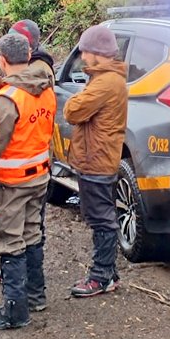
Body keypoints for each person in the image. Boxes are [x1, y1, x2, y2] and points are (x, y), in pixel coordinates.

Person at [0, 33, 56, 329]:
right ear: (28, 56)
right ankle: (35, 295)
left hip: (12, 181)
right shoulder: (46, 89)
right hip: (39, 175)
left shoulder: (7, 99)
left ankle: (15, 311)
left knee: (10, 240)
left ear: (2, 61)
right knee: (32, 234)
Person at [64, 25, 128, 297]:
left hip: (97, 160)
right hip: (97, 157)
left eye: (84, 51)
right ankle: (108, 273)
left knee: (102, 219)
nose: (82, 56)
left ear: (96, 53)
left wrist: (76, 100)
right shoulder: (105, 79)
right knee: (102, 215)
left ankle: (101, 276)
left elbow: (72, 111)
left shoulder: (105, 83)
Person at [10, 19, 56, 85]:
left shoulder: (38, 69)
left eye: (15, 41)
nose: (10, 45)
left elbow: (19, 87)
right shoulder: (28, 61)